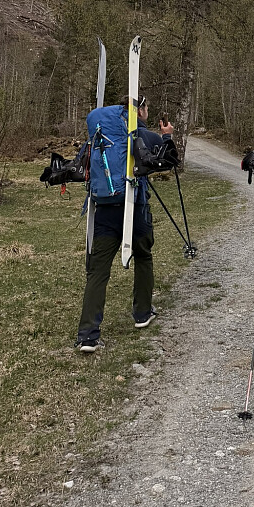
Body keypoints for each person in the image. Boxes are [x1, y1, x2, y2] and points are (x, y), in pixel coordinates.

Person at [75, 96, 175, 352]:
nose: (148, 112)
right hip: (135, 206)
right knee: (143, 256)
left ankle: (88, 335)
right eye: (146, 108)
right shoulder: (144, 135)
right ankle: (142, 313)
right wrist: (166, 137)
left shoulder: (99, 136)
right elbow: (169, 160)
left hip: (104, 208)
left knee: (98, 270)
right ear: (139, 110)